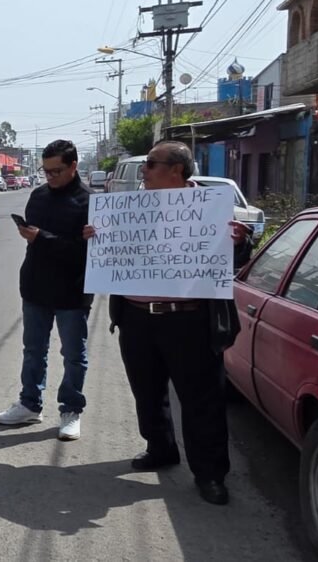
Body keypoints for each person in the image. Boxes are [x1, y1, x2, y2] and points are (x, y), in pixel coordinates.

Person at [92, 141, 255, 506]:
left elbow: (237, 257)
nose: (144, 171)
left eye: (151, 164)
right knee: (147, 391)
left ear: (176, 170)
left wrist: (240, 242)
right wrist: (96, 239)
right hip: (137, 318)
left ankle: (210, 473)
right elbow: (112, 254)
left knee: (201, 400)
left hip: (190, 320)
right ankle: (160, 447)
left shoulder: (211, 210)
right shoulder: (130, 208)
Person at [0, 140, 93, 442]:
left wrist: (42, 238)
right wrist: (33, 237)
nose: (50, 177)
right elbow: (34, 242)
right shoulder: (37, 196)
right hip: (36, 287)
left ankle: (70, 409)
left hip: (72, 291)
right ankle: (29, 404)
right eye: (46, 171)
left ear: (73, 166)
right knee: (33, 350)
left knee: (74, 354)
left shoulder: (89, 202)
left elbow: (83, 252)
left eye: (56, 171)